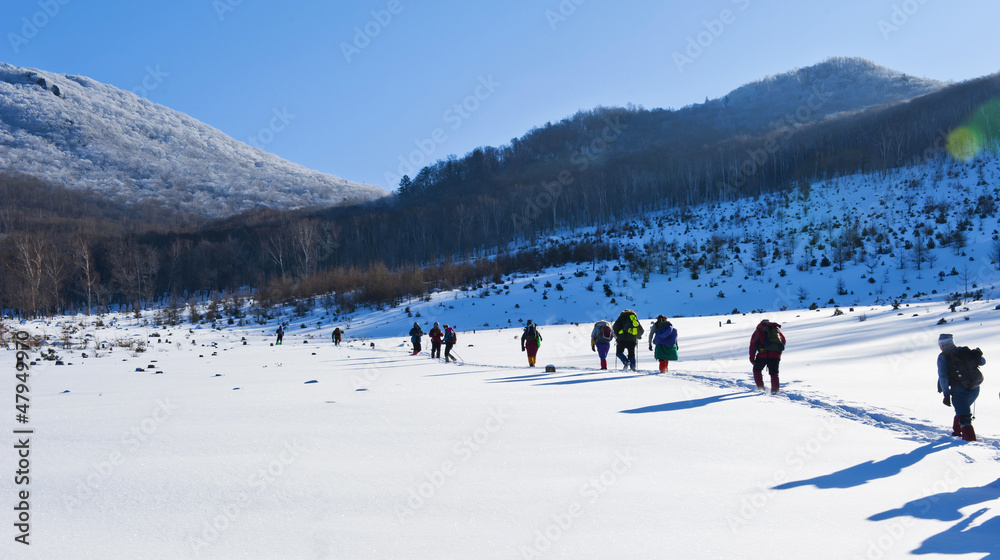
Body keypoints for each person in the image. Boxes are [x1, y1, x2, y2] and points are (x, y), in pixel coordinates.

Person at [937, 333, 985, 442]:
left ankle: (970, 443)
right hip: (975, 388)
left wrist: (946, 394)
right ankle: (957, 433)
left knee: (965, 418)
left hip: (959, 391)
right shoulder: (964, 351)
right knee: (962, 410)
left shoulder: (943, 356)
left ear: (942, 345)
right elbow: (983, 362)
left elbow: (943, 376)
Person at [749, 319, 785, 393]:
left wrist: (752, 359)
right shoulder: (776, 329)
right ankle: (775, 390)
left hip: (762, 355)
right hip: (775, 355)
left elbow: (753, 345)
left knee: (757, 370)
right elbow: (783, 340)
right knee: (774, 373)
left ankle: (761, 388)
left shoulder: (758, 331)